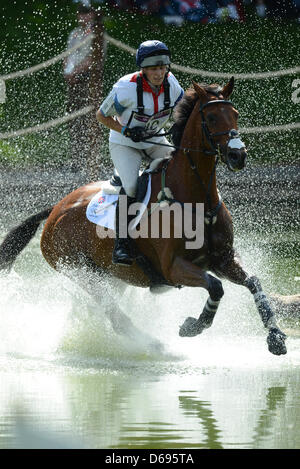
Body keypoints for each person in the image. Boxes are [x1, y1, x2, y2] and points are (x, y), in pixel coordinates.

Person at [96, 40, 184, 266]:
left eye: (162, 68)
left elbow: (184, 112)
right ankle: (122, 245)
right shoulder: (125, 88)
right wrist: (125, 129)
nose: (159, 73)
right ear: (143, 69)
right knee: (133, 186)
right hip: (125, 144)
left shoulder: (172, 85)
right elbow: (101, 116)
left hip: (155, 140)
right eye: (153, 69)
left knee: (181, 171)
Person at [63, 5, 95, 171]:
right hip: (73, 80)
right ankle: (76, 158)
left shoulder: (96, 34)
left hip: (87, 80)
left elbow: (93, 59)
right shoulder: (74, 33)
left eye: (86, 13)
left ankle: (89, 158)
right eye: (81, 13)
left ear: (92, 14)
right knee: (73, 119)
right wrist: (68, 73)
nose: (83, 16)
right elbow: (67, 56)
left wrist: (76, 72)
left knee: (87, 119)